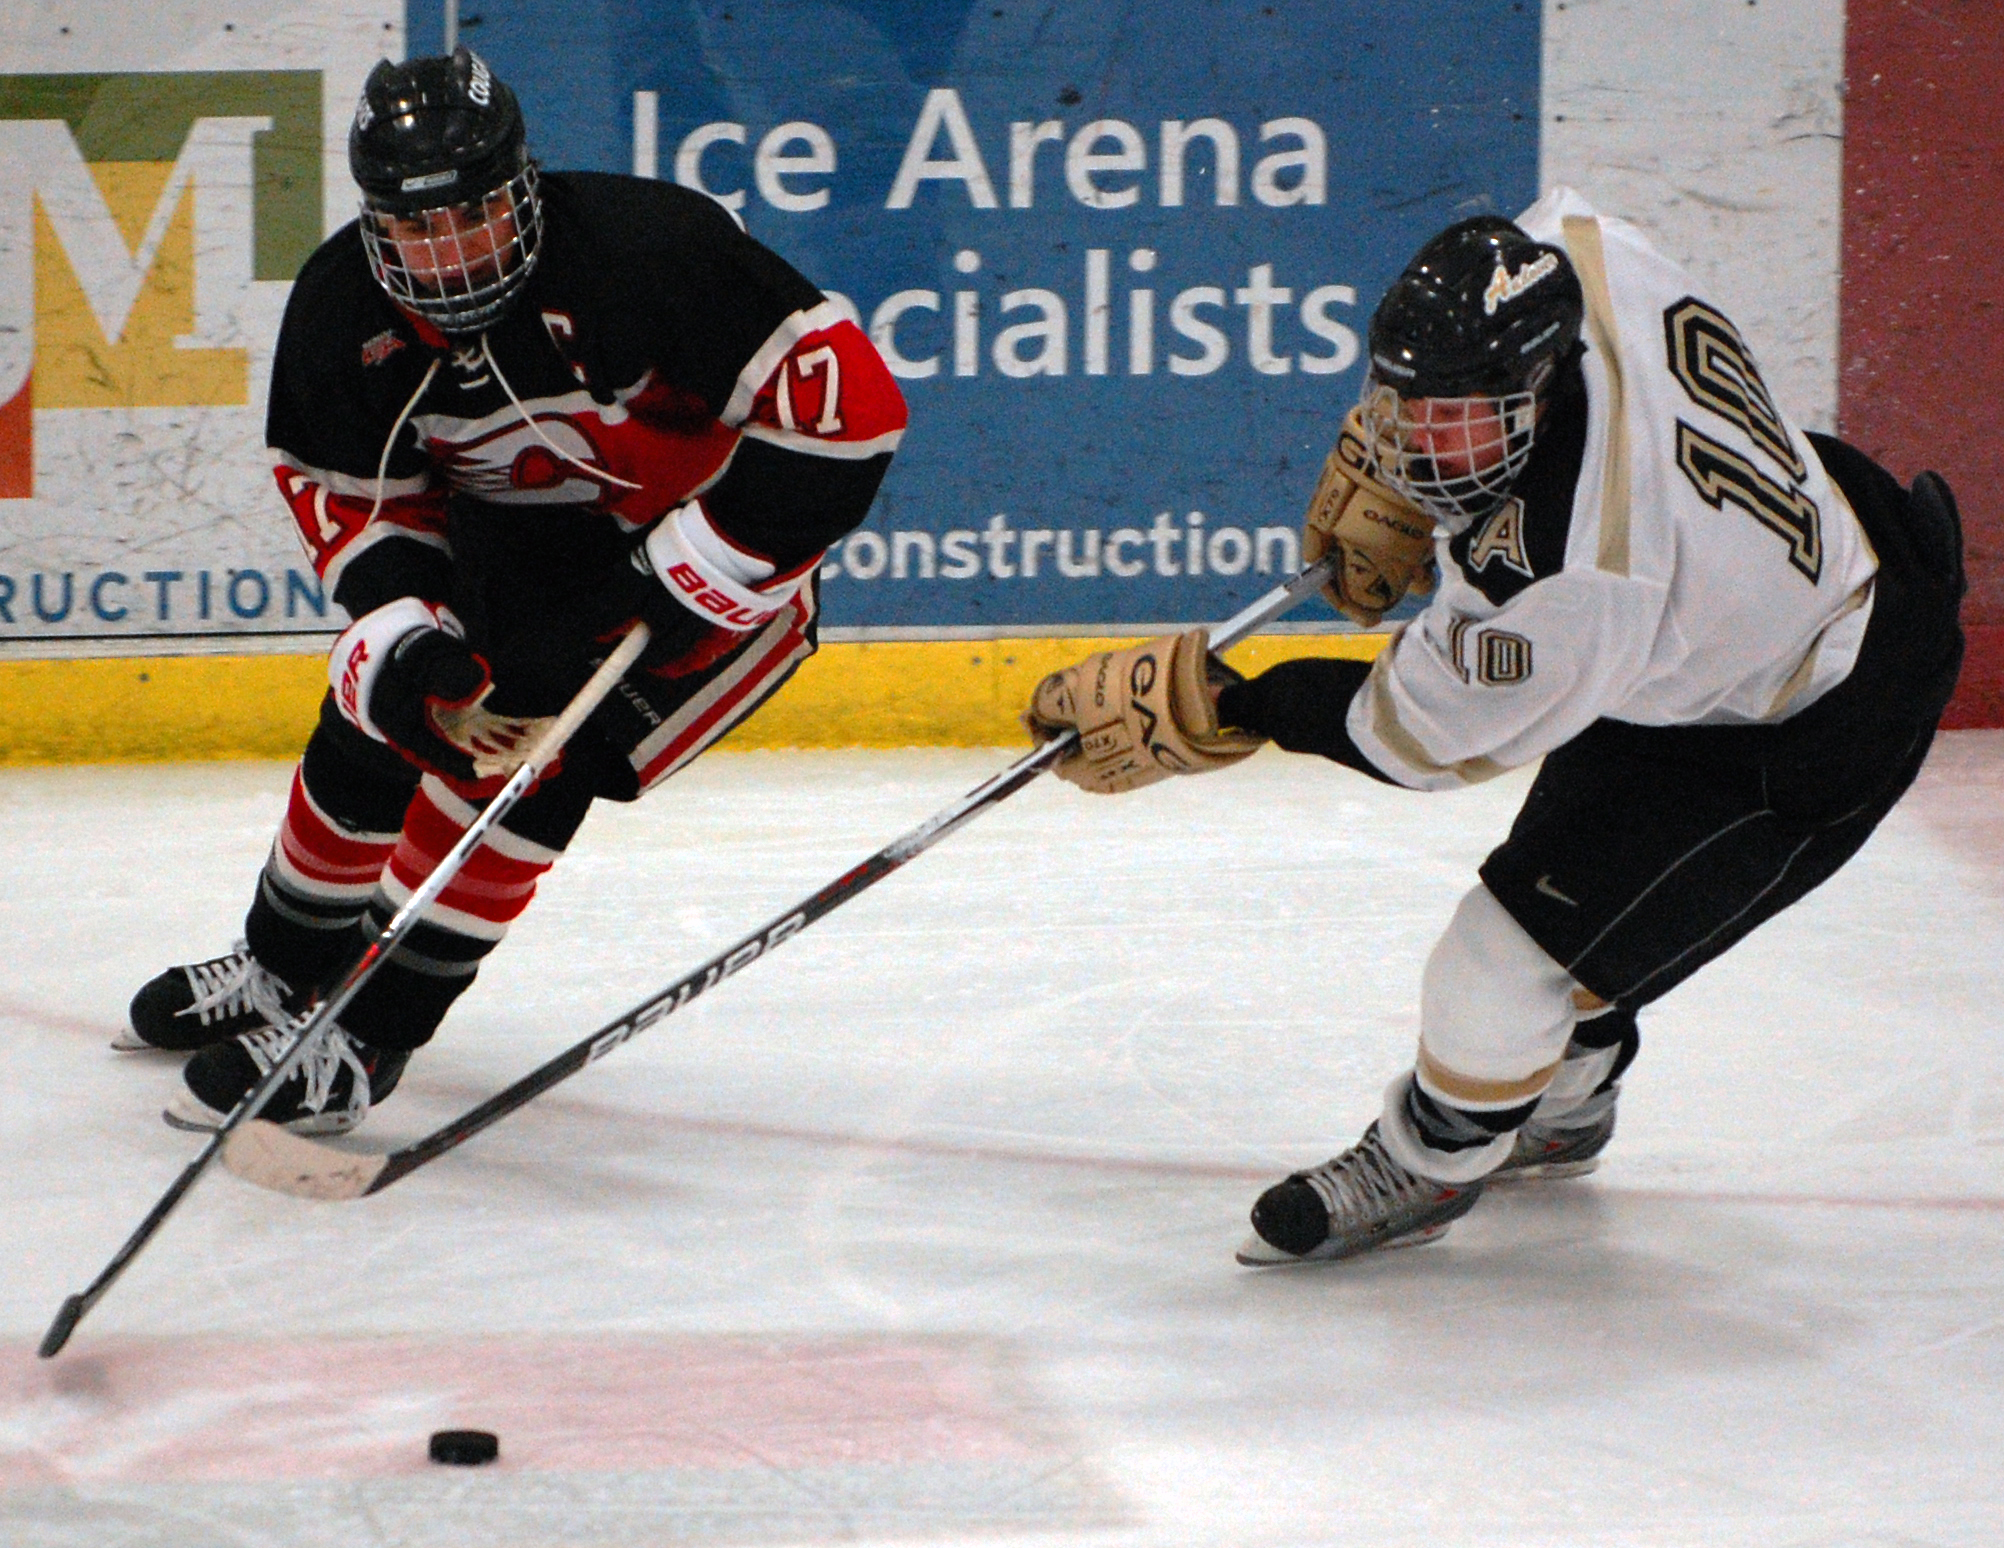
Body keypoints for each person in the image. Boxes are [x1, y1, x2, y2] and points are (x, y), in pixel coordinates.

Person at [1023, 186, 1965, 1265]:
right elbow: (1545, 230)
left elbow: (1415, 735)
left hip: (1806, 723)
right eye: (1410, 410)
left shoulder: (1580, 572)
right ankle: (1565, 1097)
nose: (1426, 445)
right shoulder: (1582, 255)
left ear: (1538, 384)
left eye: (1459, 419)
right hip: (1757, 601)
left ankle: (1432, 1162)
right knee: (1580, 904)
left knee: (1499, 961)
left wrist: (1235, 702)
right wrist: (1406, 483)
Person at [119, 47, 907, 1135]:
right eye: (413, 228)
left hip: (716, 568)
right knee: (382, 717)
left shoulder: (652, 253)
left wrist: (695, 575)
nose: (445, 256)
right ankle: (280, 968)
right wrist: (411, 646)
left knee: (538, 754)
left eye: (472, 218)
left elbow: (851, 411)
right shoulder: (341, 307)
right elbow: (355, 498)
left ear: (522, 190)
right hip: (515, 554)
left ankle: (364, 1037)